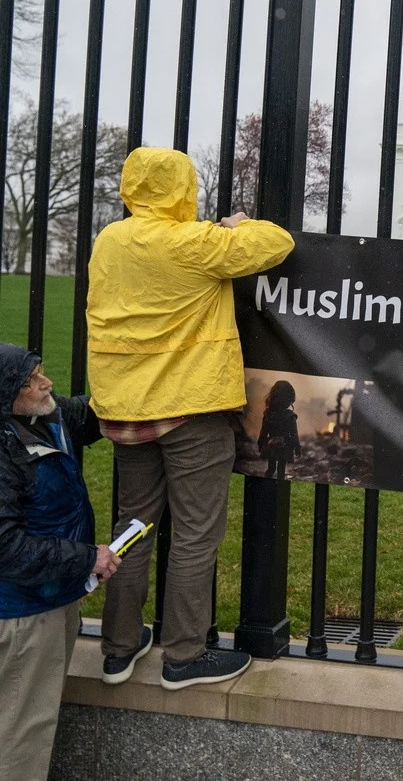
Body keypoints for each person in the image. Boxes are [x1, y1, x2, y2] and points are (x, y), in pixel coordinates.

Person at [87, 147, 294, 691]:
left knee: (133, 528)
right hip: (190, 412)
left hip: (128, 413)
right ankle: (184, 654)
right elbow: (277, 243)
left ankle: (118, 648)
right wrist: (238, 224)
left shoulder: (110, 240)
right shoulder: (192, 242)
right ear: (182, 188)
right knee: (196, 536)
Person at [0, 344, 120, 780]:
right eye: (30, 381)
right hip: (24, 617)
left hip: (42, 605)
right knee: (21, 733)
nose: (45, 383)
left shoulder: (42, 418)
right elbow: (7, 548)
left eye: (41, 373)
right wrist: (87, 557)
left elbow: (89, 414)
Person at [258, 381, 301, 480]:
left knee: (271, 469)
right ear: (289, 399)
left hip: (271, 445)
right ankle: (280, 488)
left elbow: (263, 431)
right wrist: (297, 447)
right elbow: (294, 434)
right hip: (284, 447)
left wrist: (261, 443)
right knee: (281, 471)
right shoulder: (290, 416)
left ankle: (265, 485)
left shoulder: (268, 414)